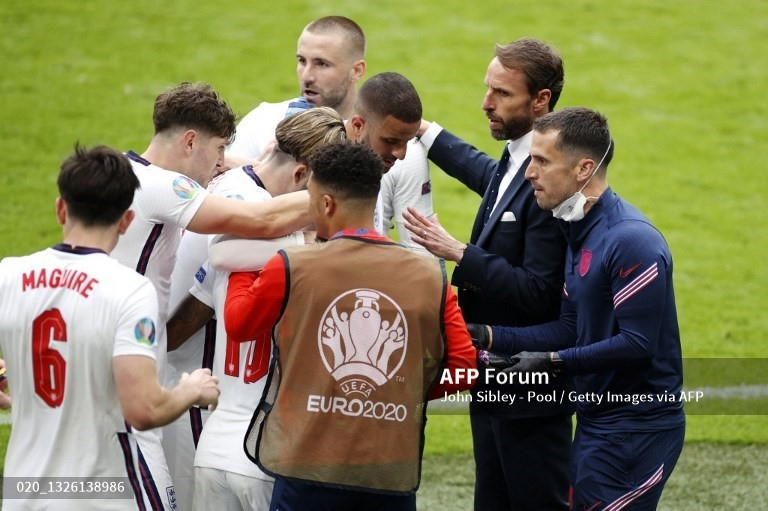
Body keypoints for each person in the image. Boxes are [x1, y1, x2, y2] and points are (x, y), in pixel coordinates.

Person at [224, 142, 476, 511]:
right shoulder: (429, 274)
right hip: (389, 468)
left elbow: (239, 324)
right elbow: (465, 369)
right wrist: (402, 392)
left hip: (307, 461)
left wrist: (240, 262)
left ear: (325, 204)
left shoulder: (291, 265)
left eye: (309, 198)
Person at [111, 81, 312, 511]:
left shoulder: (122, 177)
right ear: (189, 141)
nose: (221, 164)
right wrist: (339, 200)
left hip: (113, 360)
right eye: (219, 149)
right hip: (133, 375)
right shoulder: (165, 186)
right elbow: (259, 220)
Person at [472, 107, 686, 510]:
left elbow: (637, 343)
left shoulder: (631, 241)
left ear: (584, 168)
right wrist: (485, 336)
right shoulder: (577, 229)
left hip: (636, 429)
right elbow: (570, 328)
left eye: (541, 161)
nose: (529, 173)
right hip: (596, 421)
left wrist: (551, 361)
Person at [0, 146, 219, 511]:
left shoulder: (9, 274)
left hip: (25, 494)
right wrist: (191, 390)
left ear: (60, 209)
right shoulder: (129, 291)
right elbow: (144, 409)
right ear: (126, 221)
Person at [403, 38, 571, 510]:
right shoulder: (521, 152)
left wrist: (459, 252)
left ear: (541, 101)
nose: (486, 103)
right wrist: (424, 131)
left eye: (502, 94)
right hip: (490, 369)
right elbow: (489, 178)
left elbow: (538, 290)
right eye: (487, 89)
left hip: (529, 378)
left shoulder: (549, 178)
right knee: (491, 500)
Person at [165, 107, 347, 511]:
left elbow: (201, 294)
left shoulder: (232, 189)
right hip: (244, 436)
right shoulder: (266, 228)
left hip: (210, 434)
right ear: (301, 176)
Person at [227, 15, 433, 252]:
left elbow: (419, 250)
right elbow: (226, 208)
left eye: (322, 64)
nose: (307, 75)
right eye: (302, 61)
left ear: (357, 70)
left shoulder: (401, 150)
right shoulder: (262, 122)